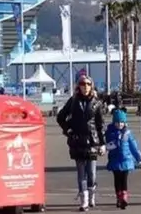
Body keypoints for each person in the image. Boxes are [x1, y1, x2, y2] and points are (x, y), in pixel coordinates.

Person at [56, 75, 106, 212]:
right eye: (83, 84)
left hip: (92, 141)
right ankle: (83, 200)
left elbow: (100, 125)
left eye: (88, 84)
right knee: (81, 173)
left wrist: (102, 143)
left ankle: (91, 196)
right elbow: (60, 117)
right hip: (77, 140)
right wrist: (68, 130)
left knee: (92, 173)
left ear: (92, 86)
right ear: (78, 86)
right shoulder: (73, 101)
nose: (85, 87)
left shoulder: (96, 103)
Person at [105, 108, 141, 210]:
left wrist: (139, 159)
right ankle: (118, 197)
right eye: (117, 122)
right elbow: (106, 145)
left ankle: (124, 197)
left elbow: (134, 147)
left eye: (122, 122)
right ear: (114, 122)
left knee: (124, 179)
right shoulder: (110, 133)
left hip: (126, 160)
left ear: (125, 122)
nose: (120, 124)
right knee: (117, 180)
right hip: (115, 160)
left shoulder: (127, 133)